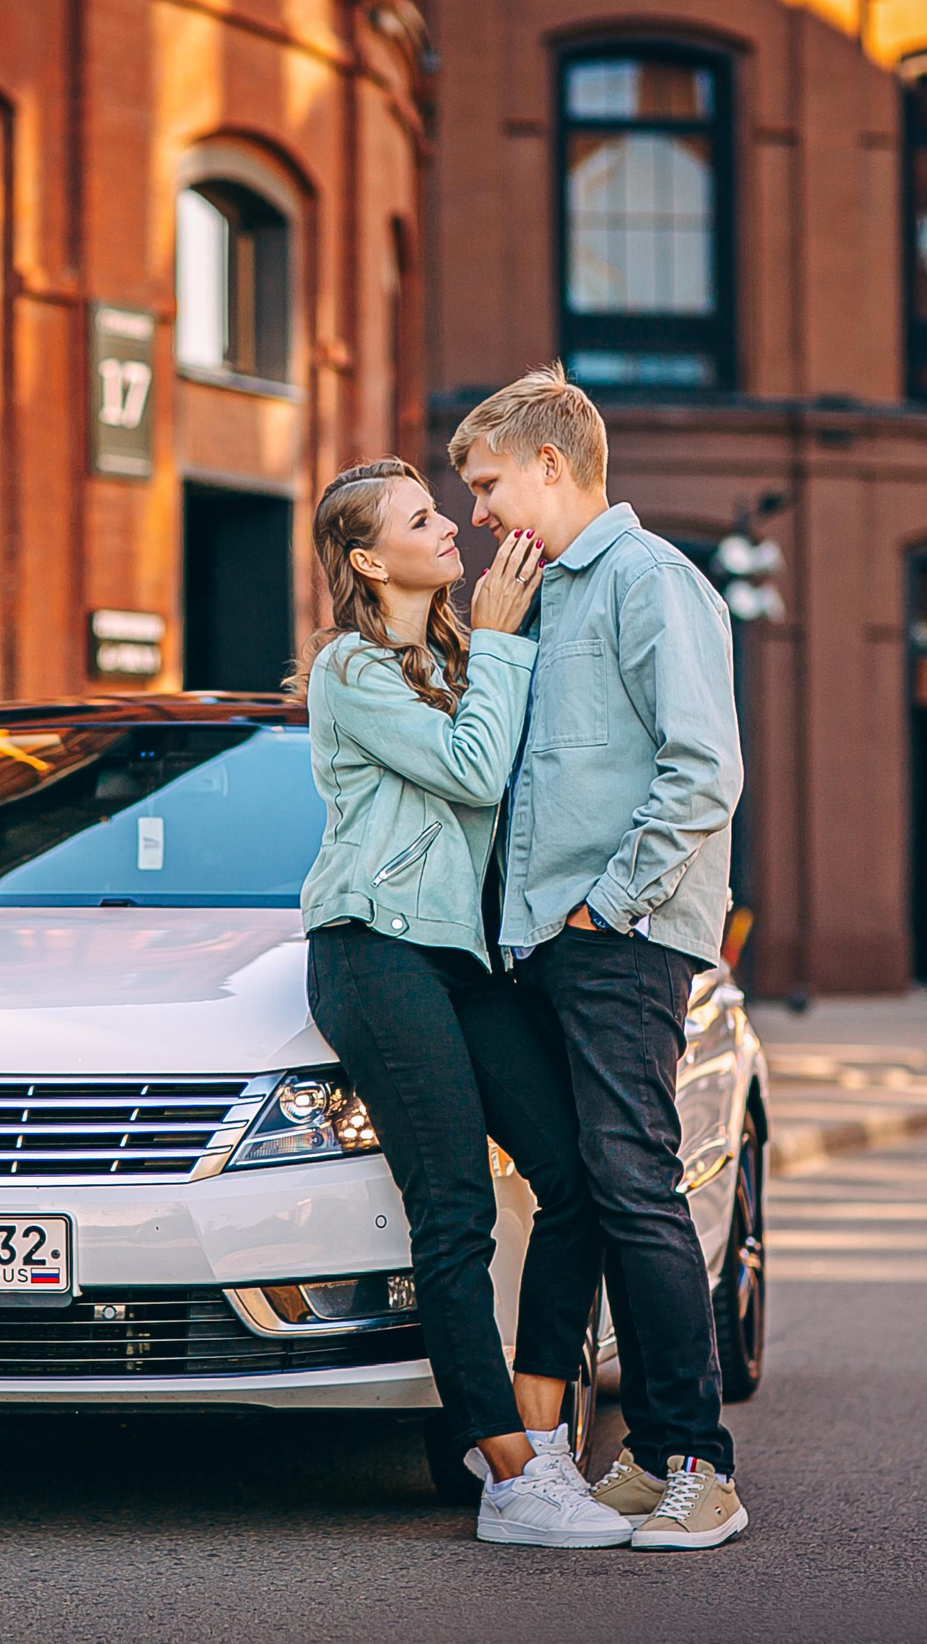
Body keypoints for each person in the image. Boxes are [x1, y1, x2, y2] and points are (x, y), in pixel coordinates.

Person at [293, 457, 630, 1549]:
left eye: (443, 511)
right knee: (455, 1214)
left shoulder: (453, 656)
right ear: (363, 559)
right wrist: (496, 639)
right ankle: (504, 1477)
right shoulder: (349, 668)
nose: (452, 527)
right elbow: (476, 769)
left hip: (465, 960)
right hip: (373, 953)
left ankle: (539, 1434)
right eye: (421, 518)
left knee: (572, 1179)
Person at [449, 364, 749, 1551]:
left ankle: (700, 1467)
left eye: (483, 484)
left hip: (618, 941)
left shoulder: (647, 582)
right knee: (587, 1189)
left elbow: (701, 773)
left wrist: (600, 910)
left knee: (633, 1183)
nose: (473, 512)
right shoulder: (538, 599)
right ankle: (639, 1456)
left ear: (549, 469)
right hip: (544, 948)